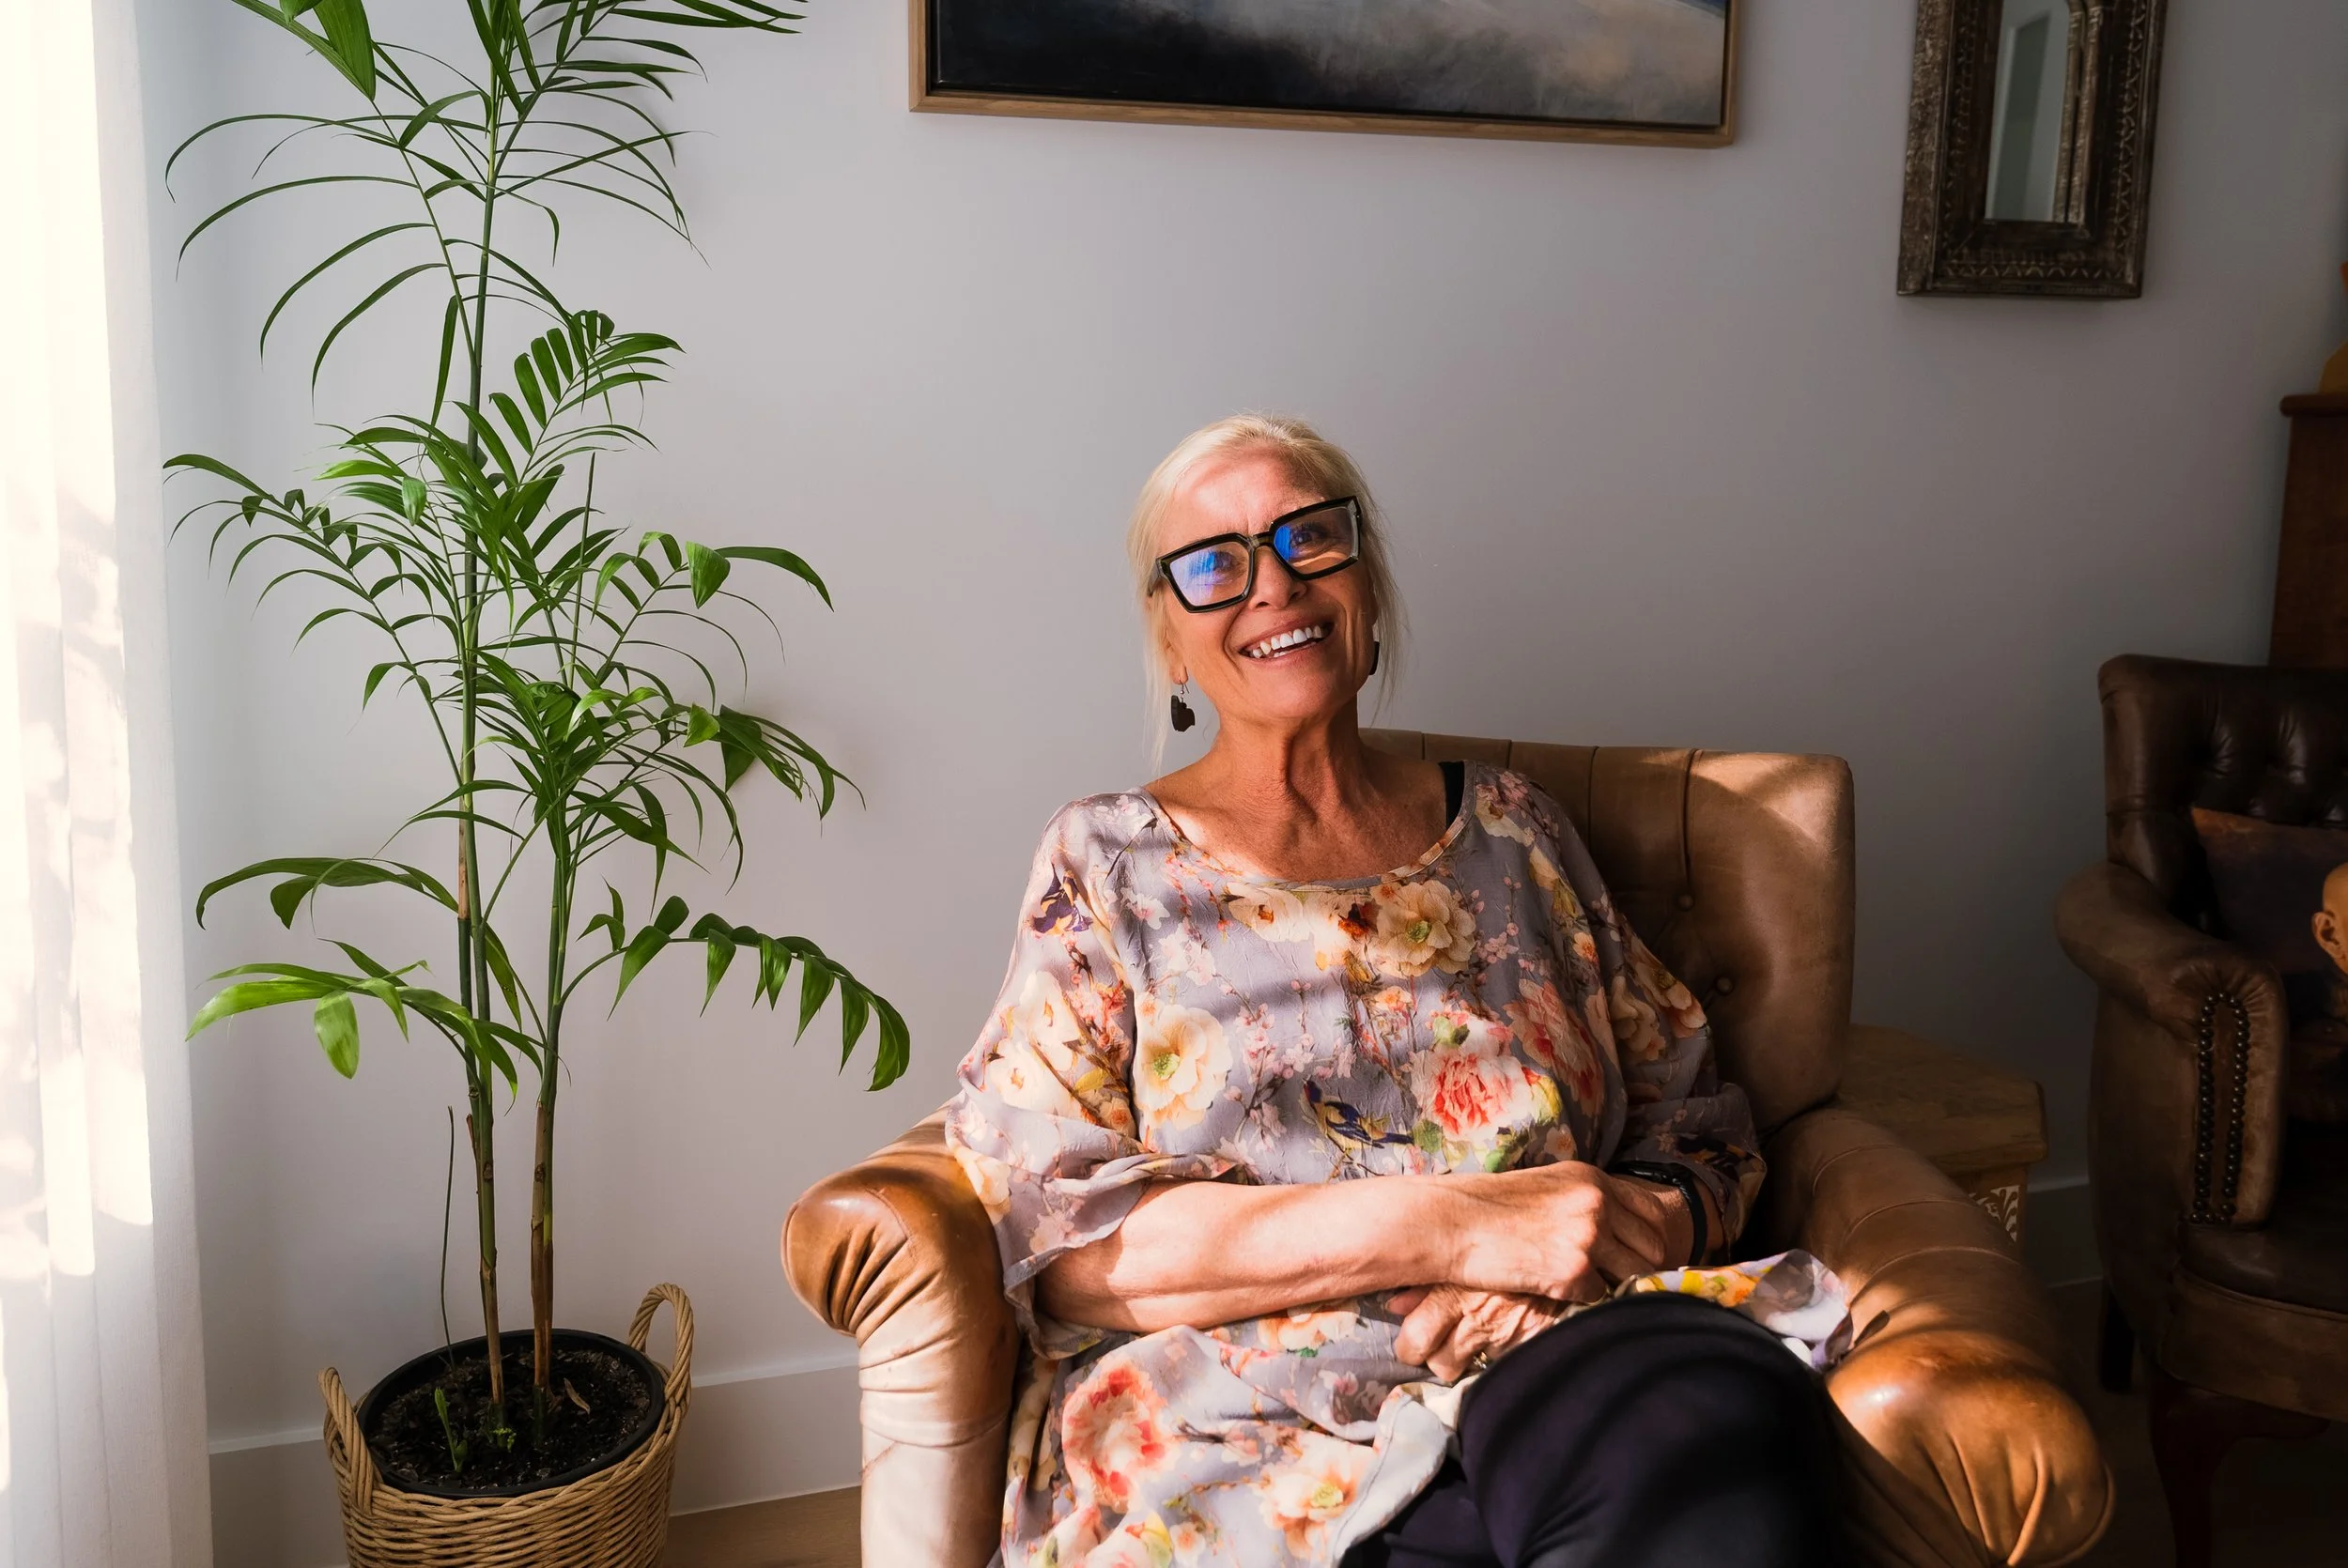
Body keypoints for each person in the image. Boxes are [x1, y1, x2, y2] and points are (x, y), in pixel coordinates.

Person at [945, 415, 1848, 1568]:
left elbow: (1696, 1120)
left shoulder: (1515, 830)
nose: (1273, 582)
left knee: (1708, 1458)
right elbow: (1072, 1241)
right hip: (1245, 1412)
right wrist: (1466, 1225)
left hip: (1559, 1336)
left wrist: (1617, 1231)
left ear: (1364, 588)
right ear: (1169, 639)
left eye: (1309, 537)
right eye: (1215, 562)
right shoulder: (1108, 863)